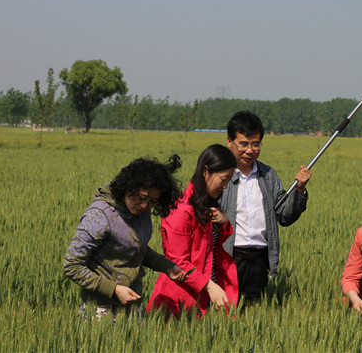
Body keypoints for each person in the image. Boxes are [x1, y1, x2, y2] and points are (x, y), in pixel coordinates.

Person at [63, 155, 189, 322]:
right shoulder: (100, 215)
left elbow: (135, 249)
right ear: (129, 187)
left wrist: (167, 266)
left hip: (132, 306)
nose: (145, 205)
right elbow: (71, 265)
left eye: (152, 201)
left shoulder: (141, 213)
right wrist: (114, 289)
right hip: (100, 310)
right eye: (142, 197)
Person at [219, 111, 311, 303]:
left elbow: (284, 216)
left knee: (255, 309)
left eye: (255, 144)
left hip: (260, 258)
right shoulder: (220, 174)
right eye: (243, 144)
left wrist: (300, 191)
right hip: (228, 256)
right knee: (226, 309)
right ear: (229, 141)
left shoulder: (268, 175)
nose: (250, 150)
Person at [147, 144, 239, 317]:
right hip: (181, 297)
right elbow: (177, 261)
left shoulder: (206, 205)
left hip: (206, 292)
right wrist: (209, 286)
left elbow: (212, 250)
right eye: (223, 179)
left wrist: (225, 222)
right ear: (206, 171)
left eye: (229, 180)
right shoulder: (182, 209)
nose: (226, 186)